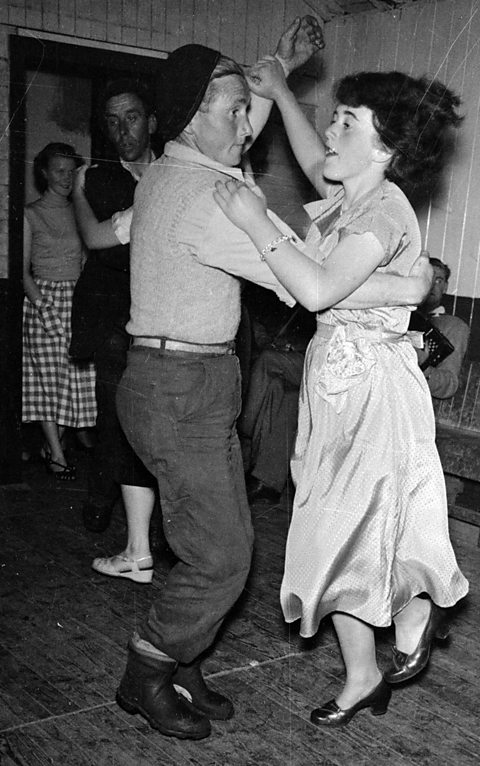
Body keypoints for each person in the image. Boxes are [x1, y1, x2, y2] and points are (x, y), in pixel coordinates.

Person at [214, 59, 469, 727]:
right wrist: (279, 94)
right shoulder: (355, 195)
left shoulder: (383, 212)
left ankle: (415, 604)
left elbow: (319, 290)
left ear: (384, 147)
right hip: (335, 387)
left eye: (347, 121)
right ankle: (365, 671)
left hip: (372, 393)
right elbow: (313, 158)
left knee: (345, 528)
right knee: (333, 536)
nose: (331, 127)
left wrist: (255, 218)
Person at [114, 19, 332, 741]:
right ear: (190, 117)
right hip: (180, 388)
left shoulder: (173, 167)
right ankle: (148, 666)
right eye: (234, 110)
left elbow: (229, 128)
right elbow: (305, 284)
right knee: (225, 554)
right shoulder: (205, 199)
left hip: (182, 382)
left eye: (247, 107)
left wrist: (283, 73)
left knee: (207, 536)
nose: (248, 124)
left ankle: (183, 658)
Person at [70, 80, 158, 581]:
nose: (122, 129)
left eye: (131, 117)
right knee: (115, 417)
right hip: (111, 314)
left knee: (148, 420)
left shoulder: (169, 170)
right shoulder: (99, 177)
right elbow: (110, 246)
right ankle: (101, 500)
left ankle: (148, 531)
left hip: (155, 313)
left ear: (152, 121)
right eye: (112, 120)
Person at [22, 142, 96, 480]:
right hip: (43, 301)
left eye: (71, 171)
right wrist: (43, 307)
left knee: (74, 384)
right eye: (59, 171)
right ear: (44, 173)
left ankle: (54, 445)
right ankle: (56, 454)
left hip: (75, 300)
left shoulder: (81, 210)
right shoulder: (30, 213)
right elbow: (22, 272)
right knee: (46, 385)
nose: (66, 178)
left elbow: (85, 259)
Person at [239, 307, 315, 503]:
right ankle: (267, 481)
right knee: (281, 392)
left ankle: (244, 430)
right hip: (309, 361)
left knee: (267, 360)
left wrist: (293, 346)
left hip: (326, 363)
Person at [412, 255, 469, 399]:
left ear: (445, 287)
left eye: (439, 280)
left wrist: (423, 367)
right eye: (427, 277)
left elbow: (449, 385)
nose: (432, 285)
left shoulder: (455, 326)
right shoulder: (398, 316)